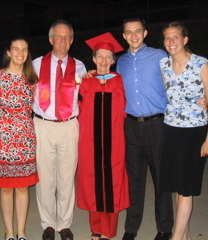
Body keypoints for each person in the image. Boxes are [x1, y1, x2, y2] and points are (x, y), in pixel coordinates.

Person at [116, 18, 174, 240]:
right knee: (134, 180)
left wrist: (199, 99)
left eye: (137, 31)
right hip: (130, 126)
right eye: (129, 32)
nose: (133, 36)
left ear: (145, 33)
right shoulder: (120, 62)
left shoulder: (160, 56)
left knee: (162, 180)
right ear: (124, 36)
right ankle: (131, 229)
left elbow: (175, 82)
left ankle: (164, 228)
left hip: (157, 125)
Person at [159, 21, 208, 240]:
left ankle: (176, 238)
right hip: (171, 130)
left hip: (195, 133)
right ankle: (185, 236)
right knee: (177, 186)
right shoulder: (163, 65)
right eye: (167, 38)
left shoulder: (201, 65)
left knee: (187, 188)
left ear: (185, 40)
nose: (171, 41)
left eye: (175, 37)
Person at [32, 19, 87, 240]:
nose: (63, 41)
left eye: (67, 37)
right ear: (50, 39)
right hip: (43, 125)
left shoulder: (80, 67)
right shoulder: (35, 65)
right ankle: (47, 224)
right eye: (59, 36)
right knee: (45, 178)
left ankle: (64, 224)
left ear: (72, 41)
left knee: (66, 178)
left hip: (69, 126)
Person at [77, 32, 130, 240]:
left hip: (114, 143)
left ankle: (109, 231)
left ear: (113, 60)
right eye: (100, 56)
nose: (104, 60)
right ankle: (95, 229)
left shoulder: (119, 81)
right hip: (89, 143)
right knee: (92, 184)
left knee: (112, 182)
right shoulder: (85, 82)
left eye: (109, 56)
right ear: (93, 58)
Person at [0, 37, 39, 240]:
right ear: (8, 52)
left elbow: (39, 106)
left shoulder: (33, 79)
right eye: (16, 49)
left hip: (25, 138)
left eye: (25, 50)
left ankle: (21, 232)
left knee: (22, 187)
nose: (20, 53)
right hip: (2, 139)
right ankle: (8, 231)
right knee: (6, 189)